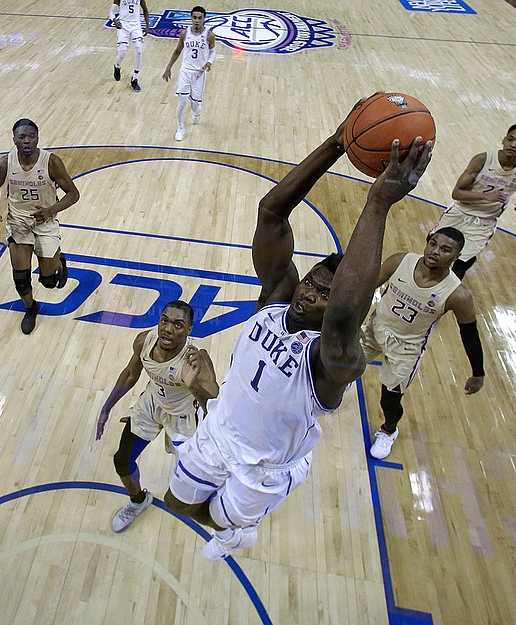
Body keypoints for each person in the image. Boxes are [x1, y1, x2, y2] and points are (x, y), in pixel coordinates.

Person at [163, 99, 434, 561]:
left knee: (226, 521)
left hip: (265, 468)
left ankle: (236, 531)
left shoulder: (332, 359)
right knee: (177, 505)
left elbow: (349, 312)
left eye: (325, 294)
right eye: (311, 281)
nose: (310, 293)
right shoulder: (277, 299)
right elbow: (270, 213)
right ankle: (232, 524)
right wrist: (336, 142)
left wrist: (379, 201)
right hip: (218, 434)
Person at [362, 227, 485, 459]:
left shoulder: (458, 295)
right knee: (343, 366)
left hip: (406, 348)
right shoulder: (401, 261)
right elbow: (367, 287)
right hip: (375, 327)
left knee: (389, 399)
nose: (435, 251)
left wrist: (478, 373)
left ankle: (389, 430)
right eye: (433, 244)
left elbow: (469, 334)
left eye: (445, 250)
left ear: (456, 257)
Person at [96, 301, 219, 532]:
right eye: (164, 320)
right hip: (153, 403)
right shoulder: (145, 341)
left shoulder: (197, 360)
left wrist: (194, 385)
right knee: (122, 461)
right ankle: (138, 501)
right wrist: (107, 407)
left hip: (184, 418)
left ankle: (220, 513)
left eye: (178, 324)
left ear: (189, 330)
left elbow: (216, 407)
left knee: (191, 480)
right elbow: (131, 374)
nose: (168, 329)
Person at [0, 118, 80, 335]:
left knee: (49, 281)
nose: (27, 141)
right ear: (14, 140)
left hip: (45, 221)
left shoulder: (51, 162)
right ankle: (31, 308)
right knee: (21, 278)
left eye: (31, 137)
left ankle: (59, 260)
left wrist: (50, 210)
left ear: (38, 139)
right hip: (18, 222)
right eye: (22, 137)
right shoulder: (5, 163)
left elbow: (74, 194)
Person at [435, 124, 516, 279]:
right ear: (504, 139)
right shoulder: (483, 160)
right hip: (461, 212)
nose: (513, 145)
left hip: (485, 221)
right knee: (436, 255)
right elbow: (456, 193)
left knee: (461, 266)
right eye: (510, 139)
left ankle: (444, 297)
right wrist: (485, 196)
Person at [162, 6, 216, 141]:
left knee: (194, 105)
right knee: (181, 101)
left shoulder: (209, 35)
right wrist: (168, 67)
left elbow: (213, 51)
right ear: (191, 18)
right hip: (185, 71)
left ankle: (197, 113)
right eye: (194, 17)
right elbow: (177, 51)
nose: (196, 20)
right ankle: (180, 128)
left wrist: (209, 61)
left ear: (204, 19)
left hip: (199, 73)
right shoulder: (184, 34)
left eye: (199, 18)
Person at [110, 0, 150, 92]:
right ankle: (117, 65)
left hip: (136, 25)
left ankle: (135, 78)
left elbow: (145, 10)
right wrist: (114, 20)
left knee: (139, 51)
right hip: (123, 25)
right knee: (122, 53)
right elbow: (112, 12)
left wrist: (147, 25)